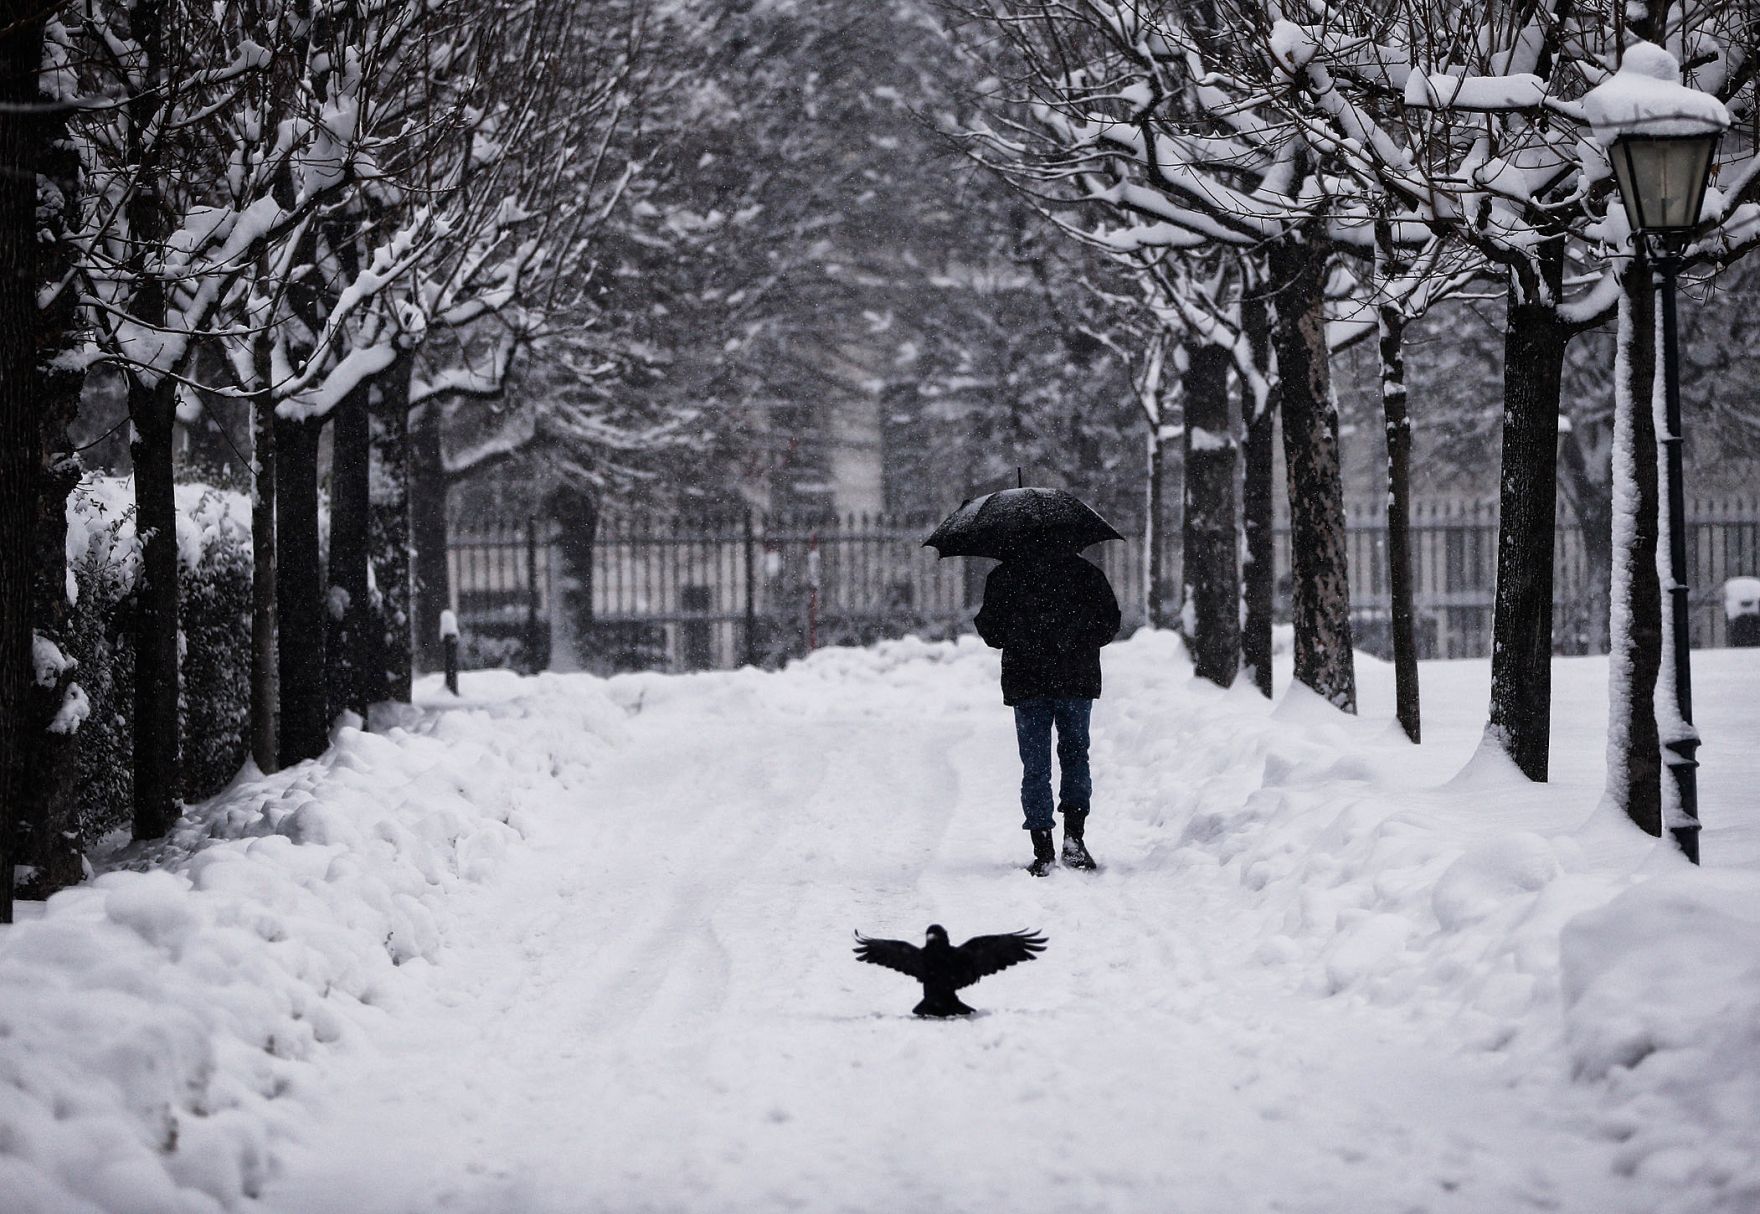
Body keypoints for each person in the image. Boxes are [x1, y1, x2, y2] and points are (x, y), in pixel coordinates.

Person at [974, 546, 1120, 875]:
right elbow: (1109, 623)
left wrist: (1022, 634)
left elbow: (991, 632)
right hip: (1076, 678)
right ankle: (1074, 839)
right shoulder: (1087, 575)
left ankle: (1043, 850)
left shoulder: (1004, 577)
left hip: (1027, 681)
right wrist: (1076, 640)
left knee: (1035, 765)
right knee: (1075, 754)